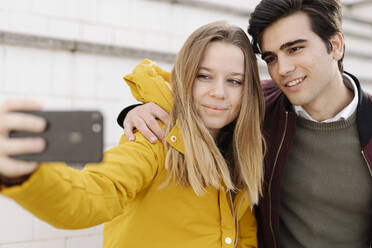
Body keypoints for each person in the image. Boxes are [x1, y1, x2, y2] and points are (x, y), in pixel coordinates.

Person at [119, 0, 372, 247]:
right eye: (271, 57)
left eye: (295, 49)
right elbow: (193, 101)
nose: (282, 69)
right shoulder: (257, 107)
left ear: (336, 45)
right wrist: (137, 111)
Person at [0, 21, 266, 247]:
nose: (219, 92)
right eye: (204, 76)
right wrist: (27, 173)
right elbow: (90, 197)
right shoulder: (153, 137)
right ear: (184, 78)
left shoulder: (242, 149)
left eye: (234, 81)